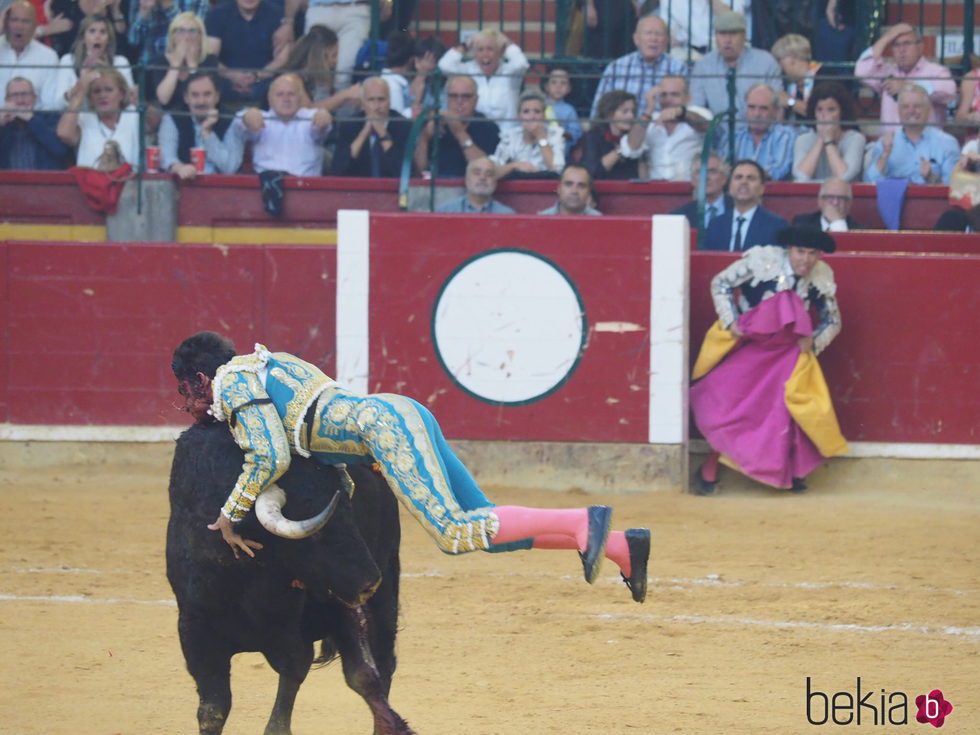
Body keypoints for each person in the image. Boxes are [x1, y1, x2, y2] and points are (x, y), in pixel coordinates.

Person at [169, 331, 652, 603]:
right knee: (482, 521)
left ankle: (583, 523)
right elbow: (311, 439)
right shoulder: (271, 362)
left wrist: (231, 512)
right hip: (399, 414)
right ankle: (618, 546)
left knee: (456, 533)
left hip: (384, 430)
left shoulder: (232, 385)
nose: (191, 402)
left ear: (199, 378)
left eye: (186, 390)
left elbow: (269, 455)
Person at [691, 226, 847, 494]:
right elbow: (721, 283)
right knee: (729, 406)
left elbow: (833, 321)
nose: (806, 260)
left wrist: (813, 342)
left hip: (787, 354)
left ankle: (787, 473)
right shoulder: (763, 261)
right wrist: (731, 322)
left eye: (812, 254)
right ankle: (709, 468)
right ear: (789, 249)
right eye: (800, 252)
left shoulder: (821, 275)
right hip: (751, 346)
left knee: (786, 413)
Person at [853, 22, 956, 128]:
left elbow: (949, 91)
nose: (901, 50)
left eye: (906, 43)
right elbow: (861, 71)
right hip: (891, 143)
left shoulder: (935, 71)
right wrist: (887, 37)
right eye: (896, 45)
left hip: (926, 143)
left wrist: (908, 86)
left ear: (920, 46)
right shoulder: (887, 72)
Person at [233, 72, 332, 177]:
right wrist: (248, 116)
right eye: (280, 94)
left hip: (304, 188)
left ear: (299, 98)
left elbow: (321, 124)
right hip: (267, 186)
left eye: (291, 94)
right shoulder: (261, 117)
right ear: (269, 98)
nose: (286, 99)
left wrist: (324, 116)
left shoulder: (310, 116)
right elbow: (239, 120)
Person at [589, 15, 686, 119]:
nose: (653, 39)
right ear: (636, 39)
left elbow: (687, 108)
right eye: (648, 33)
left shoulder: (678, 69)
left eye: (659, 34)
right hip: (623, 131)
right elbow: (598, 111)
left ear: (667, 40)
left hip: (662, 130)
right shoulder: (616, 67)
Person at [688, 10, 781, 118]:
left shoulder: (766, 62)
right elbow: (696, 108)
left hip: (758, 131)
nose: (727, 40)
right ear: (716, 36)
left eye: (733, 33)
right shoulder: (703, 66)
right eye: (722, 34)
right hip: (716, 131)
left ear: (744, 35)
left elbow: (777, 106)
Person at [864, 84, 960, 185]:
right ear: (899, 111)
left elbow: (953, 187)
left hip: (930, 200)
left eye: (917, 106)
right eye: (905, 107)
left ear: (928, 110)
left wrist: (931, 177)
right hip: (893, 200)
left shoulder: (947, 143)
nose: (911, 111)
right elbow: (868, 183)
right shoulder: (885, 143)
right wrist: (884, 155)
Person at [274, 0, 378, 92]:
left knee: (345, 72)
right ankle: (317, 111)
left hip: (355, 8)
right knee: (316, 67)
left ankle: (343, 113)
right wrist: (288, 22)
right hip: (319, 8)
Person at [437, 29, 529, 133]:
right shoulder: (468, 69)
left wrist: (506, 42)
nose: (485, 54)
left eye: (490, 49)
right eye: (480, 50)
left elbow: (522, 64)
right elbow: (444, 65)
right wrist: (465, 45)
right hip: (476, 134)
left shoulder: (510, 71)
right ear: (475, 53)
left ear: (499, 53)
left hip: (507, 135)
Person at [159, 71, 244, 178]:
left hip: (220, 188)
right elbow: (167, 157)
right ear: (186, 98)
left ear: (217, 96)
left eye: (207, 94)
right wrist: (180, 168)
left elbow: (230, 168)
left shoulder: (231, 120)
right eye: (195, 95)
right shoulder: (172, 118)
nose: (201, 101)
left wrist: (208, 134)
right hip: (183, 186)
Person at [413, 74, 499, 179]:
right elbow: (418, 171)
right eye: (454, 96)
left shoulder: (488, 127)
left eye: (466, 97)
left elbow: (484, 170)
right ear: (447, 99)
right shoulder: (435, 123)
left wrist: (459, 132)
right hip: (439, 187)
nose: (459, 102)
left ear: (476, 100)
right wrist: (424, 138)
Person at [628, 75, 711, 182]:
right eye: (663, 95)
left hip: (690, 186)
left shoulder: (699, 112)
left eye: (674, 94)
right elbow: (632, 147)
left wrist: (682, 113)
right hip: (656, 188)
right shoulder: (650, 119)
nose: (668, 99)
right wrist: (648, 110)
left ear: (688, 98)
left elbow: (705, 126)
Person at [206, 0, 288, 106]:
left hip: (264, 82)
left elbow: (283, 58)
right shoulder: (216, 15)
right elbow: (211, 57)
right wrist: (233, 76)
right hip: (226, 82)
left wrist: (257, 76)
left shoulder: (278, 14)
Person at [45, 14, 134, 111]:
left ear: (108, 39)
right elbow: (58, 103)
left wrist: (108, 74)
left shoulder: (121, 62)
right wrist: (83, 81)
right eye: (92, 31)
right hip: (79, 119)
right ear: (83, 38)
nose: (97, 36)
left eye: (103, 32)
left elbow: (129, 101)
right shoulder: (68, 60)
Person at [56, 66, 139, 167]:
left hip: (129, 181)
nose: (102, 95)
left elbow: (155, 121)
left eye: (108, 90)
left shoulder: (133, 114)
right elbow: (64, 134)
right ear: (90, 98)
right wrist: (81, 91)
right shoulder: (84, 118)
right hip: (91, 181)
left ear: (121, 94)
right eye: (96, 91)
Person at [330, 75, 410, 177]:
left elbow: (403, 172)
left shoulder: (403, 125)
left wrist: (382, 133)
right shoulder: (349, 125)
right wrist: (363, 134)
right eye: (371, 100)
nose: (376, 106)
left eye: (381, 99)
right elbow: (338, 171)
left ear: (389, 101)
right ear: (363, 103)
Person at [715, 83, 796, 182]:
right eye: (751, 107)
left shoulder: (785, 136)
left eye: (763, 108)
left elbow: (778, 172)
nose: (756, 114)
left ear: (775, 111)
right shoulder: (731, 137)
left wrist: (740, 177)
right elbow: (721, 172)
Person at [702, 159, 788, 250]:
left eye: (750, 178)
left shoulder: (776, 225)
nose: (744, 182)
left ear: (762, 188)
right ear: (730, 186)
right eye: (738, 177)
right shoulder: (716, 225)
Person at [792, 81, 865, 183]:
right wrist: (820, 140)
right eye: (819, 110)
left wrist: (829, 142)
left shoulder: (855, 139)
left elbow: (844, 176)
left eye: (831, 110)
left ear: (842, 112)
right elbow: (801, 176)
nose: (824, 115)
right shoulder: (803, 140)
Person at [489, 89, 565, 179]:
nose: (532, 116)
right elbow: (493, 170)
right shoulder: (510, 136)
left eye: (537, 111)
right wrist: (514, 165)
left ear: (544, 116)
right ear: (519, 117)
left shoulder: (555, 134)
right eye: (526, 112)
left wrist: (541, 138)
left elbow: (557, 170)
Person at [149, 12, 219, 110]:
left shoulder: (209, 60)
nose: (187, 37)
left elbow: (208, 98)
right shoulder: (161, 60)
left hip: (201, 112)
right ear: (172, 37)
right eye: (181, 31)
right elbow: (163, 99)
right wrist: (176, 64)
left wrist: (192, 65)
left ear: (200, 37)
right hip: (171, 116)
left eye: (192, 31)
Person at [0, 77, 70, 169]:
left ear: (35, 99)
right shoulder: (3, 123)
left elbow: (60, 150)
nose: (20, 100)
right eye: (15, 95)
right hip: (7, 182)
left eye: (24, 94)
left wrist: (31, 119)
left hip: (45, 181)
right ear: (6, 100)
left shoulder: (51, 117)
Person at [0, 1, 59, 108]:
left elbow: (49, 104)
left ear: (35, 26)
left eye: (25, 21)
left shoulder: (49, 57)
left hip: (31, 121)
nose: (19, 26)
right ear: (5, 23)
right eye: (14, 20)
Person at [582, 89, 646, 181]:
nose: (631, 116)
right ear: (609, 114)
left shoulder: (636, 137)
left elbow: (643, 178)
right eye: (625, 111)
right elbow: (593, 172)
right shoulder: (593, 137)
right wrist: (622, 150)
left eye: (633, 111)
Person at [128, 0, 210, 68]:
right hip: (148, 66)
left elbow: (196, 37)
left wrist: (169, 6)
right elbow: (133, 40)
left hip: (185, 66)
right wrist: (144, 12)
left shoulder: (198, 1)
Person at [771, 33, 823, 124]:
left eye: (779, 60)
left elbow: (822, 114)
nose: (778, 66)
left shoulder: (825, 75)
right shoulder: (785, 82)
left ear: (792, 58)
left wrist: (790, 101)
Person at [671, 153, 732, 230]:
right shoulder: (680, 216)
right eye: (700, 172)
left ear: (724, 178)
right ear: (692, 180)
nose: (706, 177)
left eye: (712, 171)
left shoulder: (738, 209)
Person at [434, 156, 514, 214]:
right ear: (467, 179)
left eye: (489, 174)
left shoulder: (506, 214)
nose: (483, 178)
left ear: (495, 182)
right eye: (477, 173)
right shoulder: (445, 212)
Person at [791, 178, 864, 231]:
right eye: (830, 197)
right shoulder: (802, 223)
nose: (835, 203)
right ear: (820, 201)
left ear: (849, 203)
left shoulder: (859, 231)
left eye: (841, 198)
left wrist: (838, 223)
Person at [542, 65, 582, 159]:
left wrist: (561, 132)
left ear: (569, 89)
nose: (558, 87)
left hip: (560, 154)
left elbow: (575, 135)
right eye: (554, 82)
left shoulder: (569, 110)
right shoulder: (539, 106)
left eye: (563, 83)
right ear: (546, 86)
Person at [537, 163, 602, 215]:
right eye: (568, 184)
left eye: (581, 186)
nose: (574, 191)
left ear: (589, 191)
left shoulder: (600, 221)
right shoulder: (542, 218)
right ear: (559, 188)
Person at [379, 29, 415, 118]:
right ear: (410, 61)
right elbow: (397, 118)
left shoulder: (388, 80)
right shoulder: (393, 86)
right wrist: (414, 111)